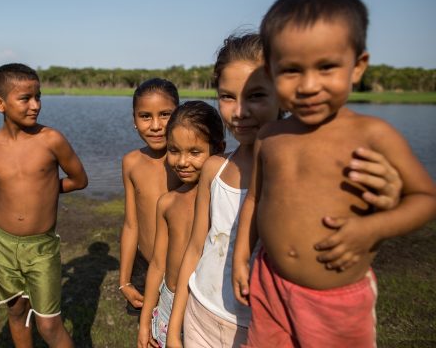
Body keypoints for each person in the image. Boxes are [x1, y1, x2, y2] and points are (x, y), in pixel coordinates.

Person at [166, 33, 406, 348]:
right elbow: (196, 248)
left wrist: (383, 206)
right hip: (200, 314)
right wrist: (174, 327)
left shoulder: (309, 173)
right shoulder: (214, 169)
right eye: (227, 96)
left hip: (261, 326)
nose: (240, 112)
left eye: (256, 95)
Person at [232, 0, 436, 347]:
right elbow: (255, 201)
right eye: (291, 70)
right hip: (269, 280)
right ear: (272, 72)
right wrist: (241, 256)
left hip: (335, 299)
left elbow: (425, 198)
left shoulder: (372, 133)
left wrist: (372, 228)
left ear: (357, 67)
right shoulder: (270, 136)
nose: (309, 85)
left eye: (326, 67)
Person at [0, 63, 88, 348]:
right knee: (17, 311)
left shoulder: (51, 140)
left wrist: (44, 191)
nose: (35, 105)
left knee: (49, 324)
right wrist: (6, 202)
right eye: (25, 98)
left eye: (38, 97)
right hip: (1, 245)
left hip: (41, 247)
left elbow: (79, 180)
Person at [138, 101, 226, 348]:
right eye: (174, 150)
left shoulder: (223, 203)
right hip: (167, 300)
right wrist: (145, 321)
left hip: (204, 307)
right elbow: (157, 264)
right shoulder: (168, 203)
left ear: (219, 149)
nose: (182, 162)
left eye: (195, 152)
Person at [120, 78, 182, 317]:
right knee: (146, 328)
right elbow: (131, 225)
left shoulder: (190, 162)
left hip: (184, 270)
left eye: (165, 114)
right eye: (145, 116)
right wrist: (124, 281)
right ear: (134, 120)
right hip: (144, 266)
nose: (156, 125)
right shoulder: (131, 162)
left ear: (179, 114)